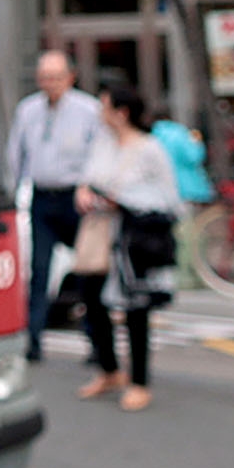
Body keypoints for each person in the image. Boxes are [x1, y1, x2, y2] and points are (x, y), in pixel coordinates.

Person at [67, 78, 181, 413]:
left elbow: (169, 199)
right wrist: (84, 193)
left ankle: (139, 381)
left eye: (104, 106)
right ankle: (109, 370)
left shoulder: (149, 149)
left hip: (133, 240)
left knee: (136, 309)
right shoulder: (102, 143)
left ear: (122, 112)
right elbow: (86, 178)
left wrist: (126, 201)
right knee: (92, 300)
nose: (100, 113)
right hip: (99, 235)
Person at [3, 51, 104, 362]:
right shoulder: (28, 109)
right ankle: (33, 339)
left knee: (88, 270)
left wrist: (89, 185)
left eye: (56, 77)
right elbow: (16, 153)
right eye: (45, 77)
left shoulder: (89, 110)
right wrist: (13, 191)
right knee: (40, 270)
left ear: (70, 77)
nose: (50, 84)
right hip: (42, 196)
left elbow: (99, 152)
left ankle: (97, 341)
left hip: (76, 197)